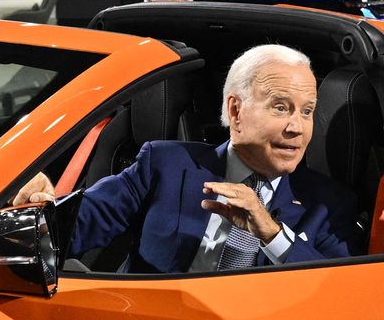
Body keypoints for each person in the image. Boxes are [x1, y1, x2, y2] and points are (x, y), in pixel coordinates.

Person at [20, 44, 361, 272]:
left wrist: (271, 233)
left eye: (307, 112)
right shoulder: (165, 164)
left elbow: (338, 295)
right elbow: (77, 227)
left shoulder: (328, 206)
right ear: (236, 110)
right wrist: (40, 210)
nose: (296, 128)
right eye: (280, 107)